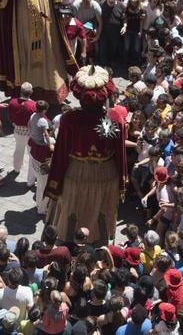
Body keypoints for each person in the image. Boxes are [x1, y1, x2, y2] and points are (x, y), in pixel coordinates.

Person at [46, 66, 127, 243]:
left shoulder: (70, 119)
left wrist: (54, 180)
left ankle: (69, 237)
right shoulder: (113, 119)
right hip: (106, 172)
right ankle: (99, 238)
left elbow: (61, 152)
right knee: (100, 210)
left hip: (76, 171)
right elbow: (120, 152)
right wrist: (122, 180)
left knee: (72, 207)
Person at [27, 100, 54, 216]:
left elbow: (28, 125)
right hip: (42, 161)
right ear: (44, 110)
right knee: (42, 187)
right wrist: (51, 145)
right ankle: (41, 209)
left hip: (35, 155)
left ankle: (39, 204)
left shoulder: (33, 115)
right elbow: (46, 135)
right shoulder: (43, 121)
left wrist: (32, 135)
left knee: (40, 187)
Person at [7, 82, 35, 178]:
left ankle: (16, 168)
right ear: (31, 92)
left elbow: (10, 117)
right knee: (32, 154)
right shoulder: (34, 105)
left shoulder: (12, 102)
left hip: (17, 131)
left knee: (18, 150)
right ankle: (31, 177)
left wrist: (15, 124)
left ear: (20, 91)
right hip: (30, 133)